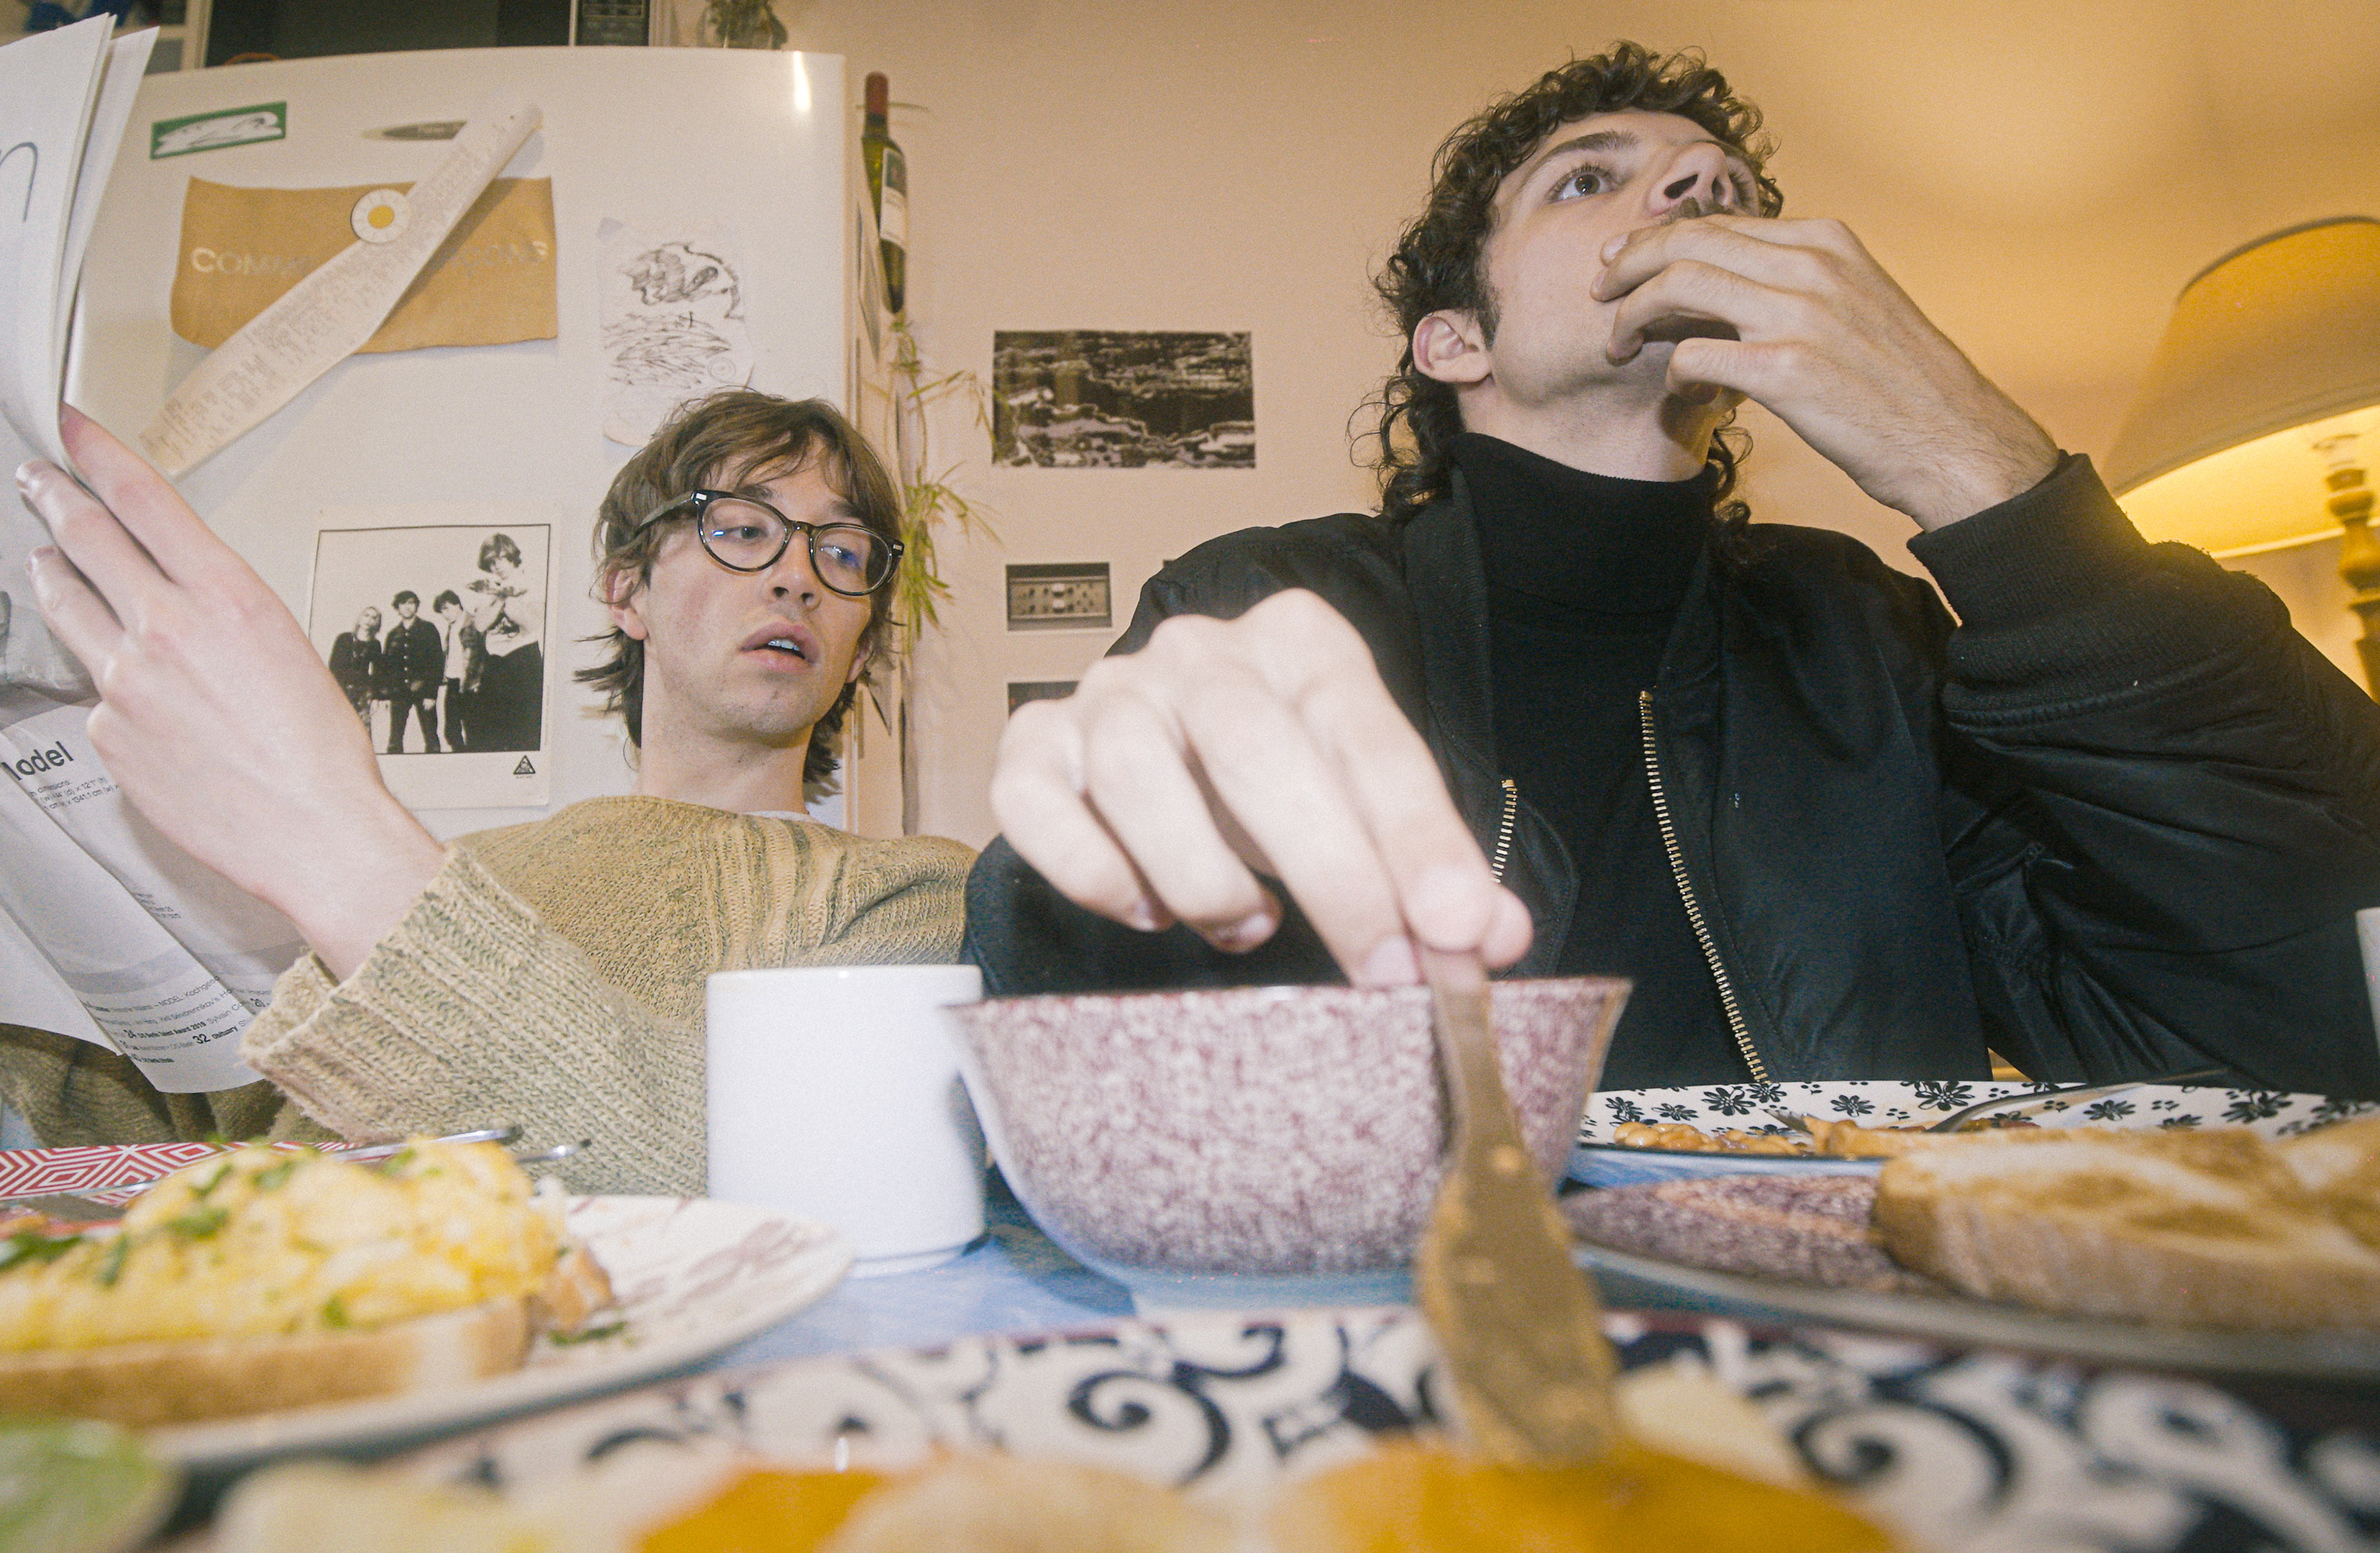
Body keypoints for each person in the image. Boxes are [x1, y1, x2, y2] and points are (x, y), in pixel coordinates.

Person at [969, 43, 2380, 1098]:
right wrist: (1114, 843)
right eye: (1589, 178)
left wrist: (1996, 484)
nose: (1701, 190)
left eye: (1730, 187)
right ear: (1456, 340)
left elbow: (2278, 1041)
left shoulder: (1870, 637)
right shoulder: (1263, 604)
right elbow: (1075, 1050)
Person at [0, 389, 967, 1194]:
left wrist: (338, 845)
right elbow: (194, 1149)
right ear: (625, 592)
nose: (799, 576)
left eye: (842, 552)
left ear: (861, 638)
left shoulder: (920, 892)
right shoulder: (467, 876)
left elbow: (775, 1189)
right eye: (743, 528)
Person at [462, 532, 545, 751]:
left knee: (525, 736)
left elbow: (532, 623)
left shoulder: (531, 583)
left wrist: (508, 596)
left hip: (523, 660)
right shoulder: (488, 588)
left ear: (512, 556)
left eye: (501, 559)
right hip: (495, 664)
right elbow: (481, 625)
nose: (496, 566)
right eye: (491, 562)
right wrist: (499, 597)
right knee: (492, 736)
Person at [379, 590, 442, 755]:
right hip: (399, 692)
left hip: (424, 690)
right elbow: (387, 666)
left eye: (411, 603)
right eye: (403, 604)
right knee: (395, 739)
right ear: (397, 608)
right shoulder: (393, 634)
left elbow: (437, 662)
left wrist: (431, 694)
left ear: (416, 606)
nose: (407, 607)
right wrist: (385, 694)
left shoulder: (428, 629)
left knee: (431, 738)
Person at [433, 588, 484, 752]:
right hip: (453, 682)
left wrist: (472, 680)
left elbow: (477, 656)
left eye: (447, 609)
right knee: (451, 731)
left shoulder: (473, 623)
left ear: (457, 604)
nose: (445, 614)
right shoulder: (452, 626)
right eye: (442, 611)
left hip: (470, 683)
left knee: (473, 729)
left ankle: (472, 759)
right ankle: (462, 756)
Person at [326, 605, 383, 747]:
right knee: (340, 729)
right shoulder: (344, 639)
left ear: (377, 623)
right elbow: (333, 666)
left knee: (363, 733)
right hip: (342, 690)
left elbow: (378, 672)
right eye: (366, 615)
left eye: (374, 618)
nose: (369, 620)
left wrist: (376, 697)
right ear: (360, 618)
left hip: (363, 694)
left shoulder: (375, 644)